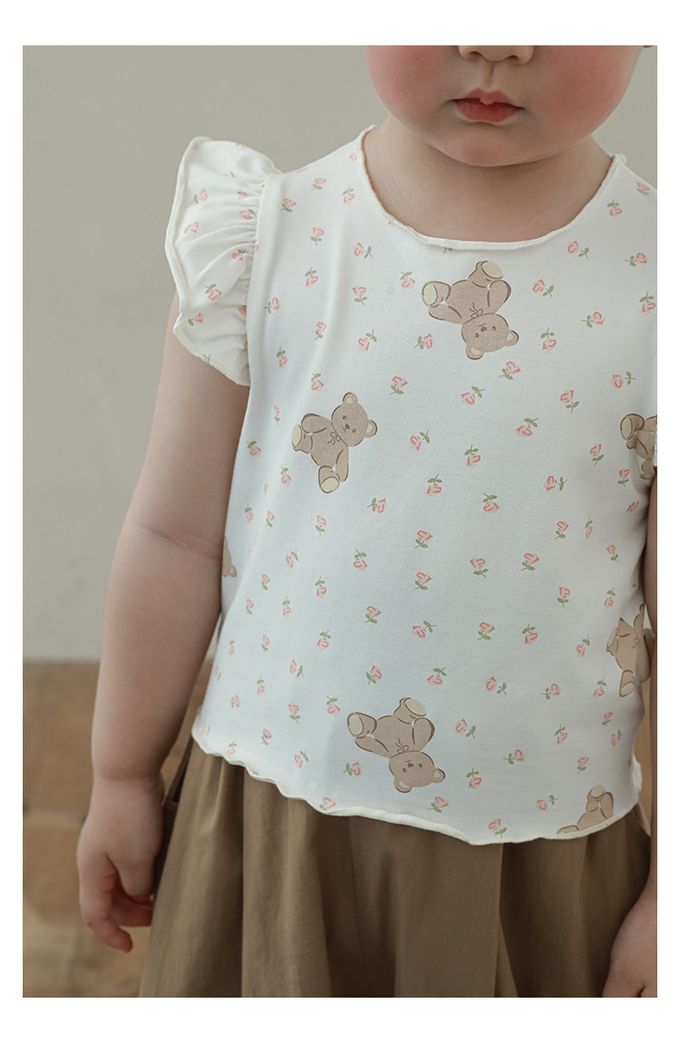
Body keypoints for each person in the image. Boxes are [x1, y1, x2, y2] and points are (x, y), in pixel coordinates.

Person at [76, 45, 657, 998]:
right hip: (270, 826)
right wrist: (122, 773)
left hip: (541, 857)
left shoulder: (655, 280)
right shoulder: (264, 241)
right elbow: (175, 535)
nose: (497, 42)